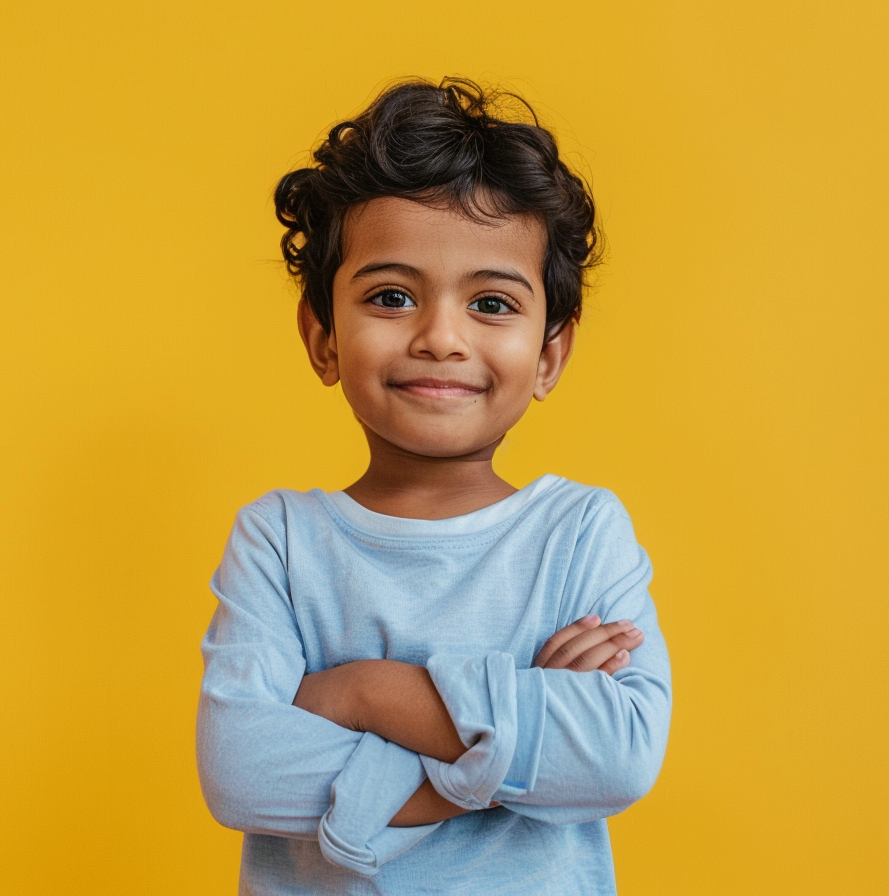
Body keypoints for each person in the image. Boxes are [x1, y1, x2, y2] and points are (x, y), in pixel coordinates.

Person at [195, 77, 672, 895]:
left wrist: (360, 692)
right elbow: (241, 771)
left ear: (550, 355)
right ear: (323, 339)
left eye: (491, 302)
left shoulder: (582, 532)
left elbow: (618, 755)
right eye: (391, 296)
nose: (441, 337)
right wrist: (521, 730)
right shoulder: (277, 540)